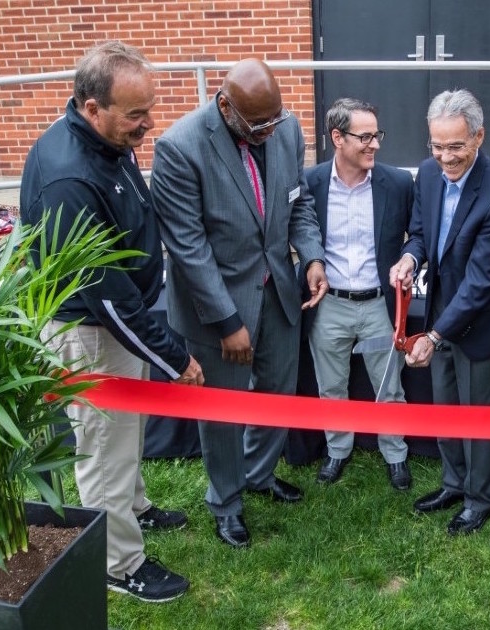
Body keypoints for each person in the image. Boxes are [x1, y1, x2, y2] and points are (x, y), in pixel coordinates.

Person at [19, 41, 203, 602]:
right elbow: (111, 301)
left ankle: (133, 509)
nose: (148, 124)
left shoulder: (104, 138)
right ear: (91, 106)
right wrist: (173, 355)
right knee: (103, 449)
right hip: (91, 333)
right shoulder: (69, 181)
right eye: (135, 114)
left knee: (123, 436)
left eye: (149, 108)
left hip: (115, 321)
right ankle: (117, 563)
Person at [151, 59, 328, 549]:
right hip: (218, 307)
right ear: (225, 105)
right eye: (258, 126)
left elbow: (300, 203)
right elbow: (187, 248)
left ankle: (259, 473)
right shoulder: (179, 148)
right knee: (222, 412)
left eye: (275, 122)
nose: (269, 133)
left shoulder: (285, 128)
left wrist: (311, 256)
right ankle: (226, 502)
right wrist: (228, 321)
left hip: (278, 293)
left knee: (277, 391)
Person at [390, 89, 490, 536]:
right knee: (446, 408)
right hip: (442, 315)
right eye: (437, 146)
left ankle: (480, 499)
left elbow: (482, 281)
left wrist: (434, 336)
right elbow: (422, 231)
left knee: (478, 419)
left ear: (479, 136)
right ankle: (453, 483)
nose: (445, 158)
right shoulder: (427, 174)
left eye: (456, 147)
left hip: (484, 323)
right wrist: (410, 257)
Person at [303, 98, 413, 489]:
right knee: (331, 386)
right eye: (365, 137)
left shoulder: (398, 183)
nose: (375, 144)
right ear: (338, 138)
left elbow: (416, 235)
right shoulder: (310, 183)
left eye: (377, 135)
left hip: (379, 304)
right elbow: (299, 232)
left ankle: (395, 453)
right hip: (329, 305)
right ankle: (337, 450)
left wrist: (410, 257)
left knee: (389, 387)